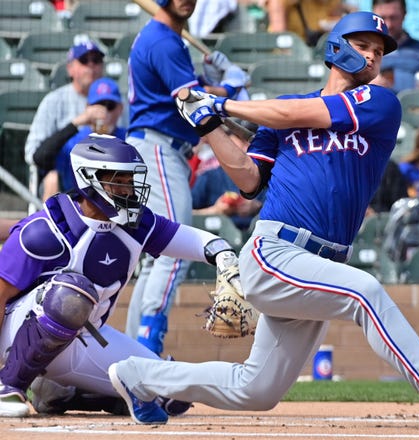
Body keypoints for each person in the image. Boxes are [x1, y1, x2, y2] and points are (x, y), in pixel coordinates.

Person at [106, 12, 419, 432]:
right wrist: (208, 126)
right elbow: (248, 178)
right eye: (363, 45)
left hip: (321, 265)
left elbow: (296, 112)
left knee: (256, 389)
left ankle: (139, 377)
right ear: (336, 47)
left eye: (379, 51)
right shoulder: (281, 117)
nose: (372, 57)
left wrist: (223, 104)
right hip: (275, 251)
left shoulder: (379, 102)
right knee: (364, 292)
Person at [0, 135, 242, 418]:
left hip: (87, 336)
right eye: (119, 180)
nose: (128, 190)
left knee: (167, 393)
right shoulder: (42, 230)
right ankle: (9, 386)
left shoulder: (136, 223)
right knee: (71, 295)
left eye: (130, 181)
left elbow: (184, 237)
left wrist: (223, 254)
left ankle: (60, 392)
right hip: (16, 335)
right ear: (88, 179)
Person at [125, 0, 250, 356]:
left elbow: (186, 89)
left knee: (157, 256)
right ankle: (149, 344)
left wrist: (214, 79)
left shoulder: (167, 40)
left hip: (159, 148)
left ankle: (135, 353)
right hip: (159, 148)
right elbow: (188, 98)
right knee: (175, 251)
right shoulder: (163, 40)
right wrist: (230, 88)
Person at [24, 41, 105, 200]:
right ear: (70, 69)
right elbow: (33, 153)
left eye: (96, 60)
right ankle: (54, 224)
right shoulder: (54, 101)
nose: (91, 66)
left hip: (103, 175)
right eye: (84, 61)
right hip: (64, 176)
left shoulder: (113, 102)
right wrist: (77, 122)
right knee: (51, 178)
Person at [32, 77, 126, 194]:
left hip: (119, 204)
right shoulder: (75, 140)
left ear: (120, 109)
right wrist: (77, 121)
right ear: (87, 107)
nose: (104, 112)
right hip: (78, 204)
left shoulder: (128, 138)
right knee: (51, 178)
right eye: (99, 105)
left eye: (110, 106)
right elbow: (40, 158)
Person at [371, 0, 419, 93]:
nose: (389, 24)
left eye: (393, 17)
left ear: (404, 15)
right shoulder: (365, 51)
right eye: (383, 18)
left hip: (416, 105)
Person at [266, 0, 346, 46]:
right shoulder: (282, 2)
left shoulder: (330, 2)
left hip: (319, 50)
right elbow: (280, 36)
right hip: (290, 52)